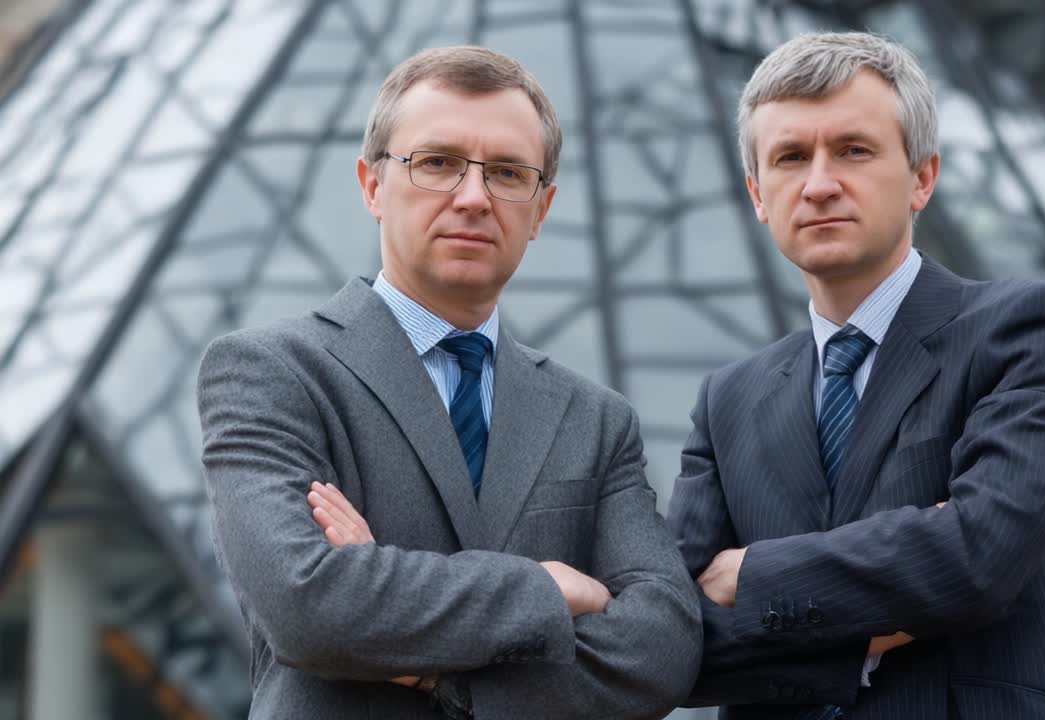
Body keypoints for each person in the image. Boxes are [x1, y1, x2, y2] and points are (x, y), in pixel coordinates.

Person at [197, 46, 701, 720]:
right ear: (372, 186)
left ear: (541, 209)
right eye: (437, 163)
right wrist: (547, 589)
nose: (473, 197)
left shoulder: (596, 420)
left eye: (508, 173)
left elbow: (663, 647)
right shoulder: (272, 373)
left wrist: (429, 664)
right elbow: (308, 606)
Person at [667, 31, 1045, 719]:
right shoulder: (729, 399)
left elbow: (978, 557)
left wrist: (750, 573)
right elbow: (666, 632)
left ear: (922, 178)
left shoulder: (1027, 329)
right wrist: (869, 622)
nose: (819, 184)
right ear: (757, 193)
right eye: (790, 158)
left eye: (854, 150)